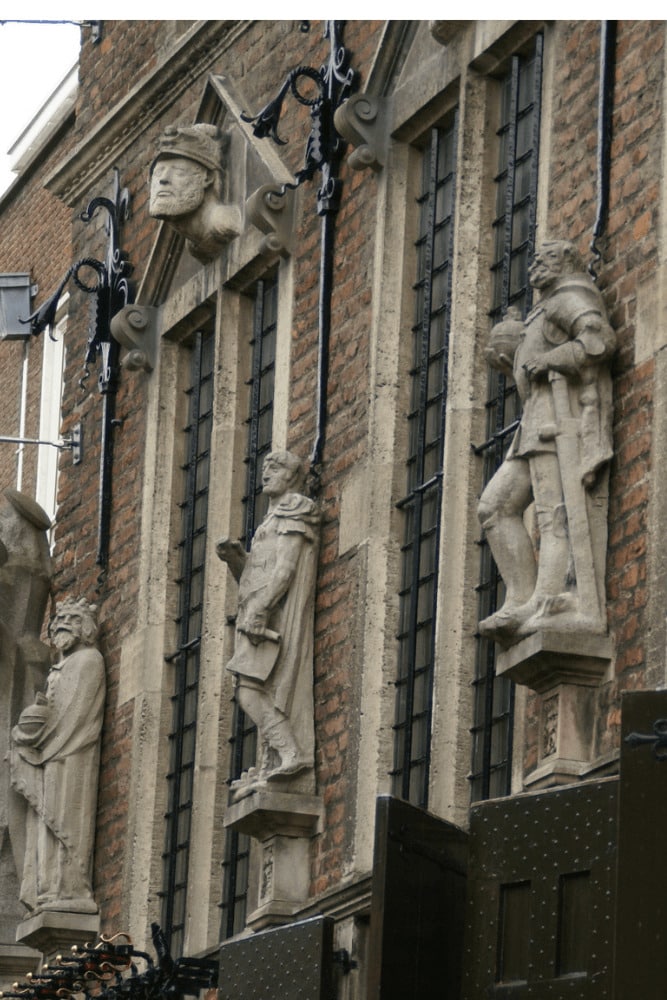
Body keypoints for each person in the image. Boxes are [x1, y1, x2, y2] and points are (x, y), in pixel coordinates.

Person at [478, 240, 616, 643]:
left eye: (547, 259)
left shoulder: (569, 298)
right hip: (534, 424)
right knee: (494, 508)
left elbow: (599, 342)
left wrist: (550, 361)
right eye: (535, 259)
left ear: (567, 263)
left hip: (559, 423)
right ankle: (522, 597)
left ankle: (551, 598)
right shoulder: (546, 307)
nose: (536, 265)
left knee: (553, 516)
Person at [217, 451, 320, 786]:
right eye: (263, 468)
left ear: (292, 475)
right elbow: (256, 573)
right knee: (256, 687)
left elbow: (286, 569)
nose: (266, 473)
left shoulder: (294, 510)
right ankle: (270, 763)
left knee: (250, 691)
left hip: (267, 616)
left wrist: (261, 609)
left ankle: (291, 753)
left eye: (275, 468)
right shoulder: (271, 518)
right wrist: (236, 560)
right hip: (254, 612)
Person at [10, 598, 105, 913]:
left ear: (85, 628)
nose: (61, 624)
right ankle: (48, 888)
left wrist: (35, 740)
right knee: (44, 824)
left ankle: (67, 886)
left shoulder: (88, 661)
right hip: (53, 756)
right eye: (58, 620)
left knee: (63, 818)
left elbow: (74, 716)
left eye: (71, 619)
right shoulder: (62, 666)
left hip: (71, 757)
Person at [149, 123, 241, 260]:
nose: (163, 180)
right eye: (158, 173)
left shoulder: (225, 224)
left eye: (179, 172)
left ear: (208, 178)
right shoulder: (193, 245)